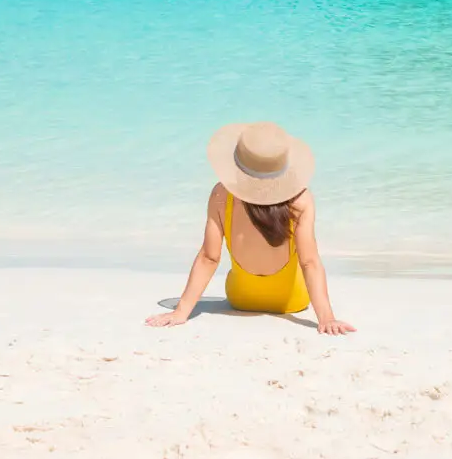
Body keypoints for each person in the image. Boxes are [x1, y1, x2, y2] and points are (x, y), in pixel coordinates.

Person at [145, 122, 355, 335]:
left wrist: (181, 312)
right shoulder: (300, 201)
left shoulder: (222, 195)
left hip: (241, 298)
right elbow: (309, 262)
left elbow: (209, 258)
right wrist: (327, 318)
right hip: (292, 301)